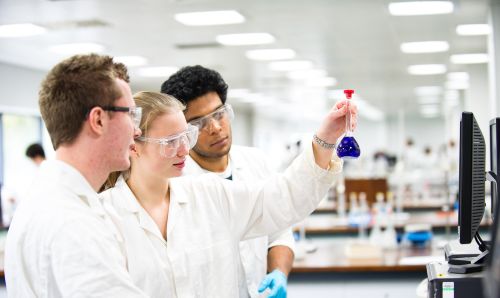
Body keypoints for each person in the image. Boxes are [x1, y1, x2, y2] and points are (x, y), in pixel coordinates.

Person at [100, 91, 356, 297]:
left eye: (185, 137)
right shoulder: (105, 217)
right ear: (134, 146)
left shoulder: (210, 194)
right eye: (170, 142)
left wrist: (325, 138)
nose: (183, 151)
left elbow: (284, 198)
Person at [5, 54, 148, 297]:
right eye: (131, 115)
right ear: (98, 120)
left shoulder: (54, 198)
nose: (137, 130)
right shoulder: (71, 222)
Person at [161, 65, 294, 298]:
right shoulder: (174, 184)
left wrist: (279, 273)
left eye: (219, 114)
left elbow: (280, 232)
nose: (214, 128)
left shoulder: (257, 162)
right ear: (182, 130)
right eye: (198, 123)